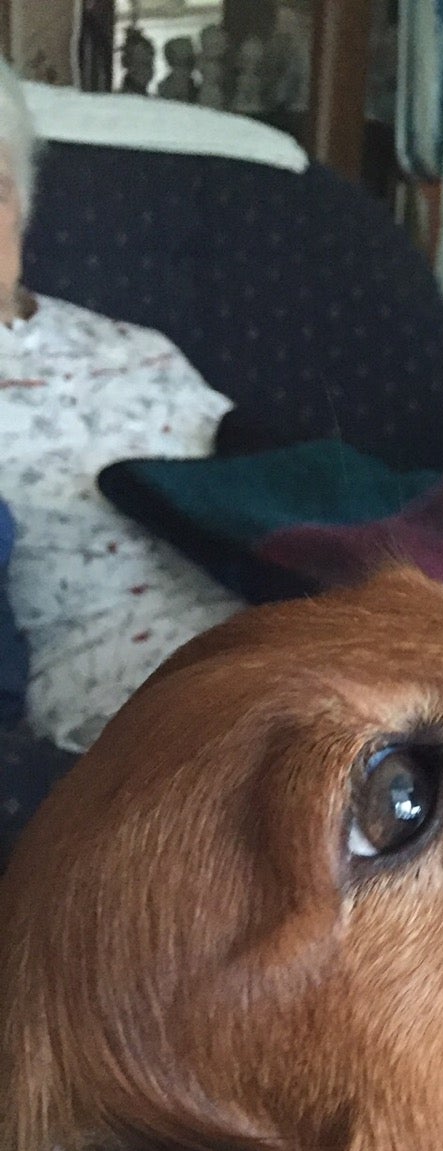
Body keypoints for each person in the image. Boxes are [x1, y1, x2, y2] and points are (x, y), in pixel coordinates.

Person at [0, 58, 243, 753]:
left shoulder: (138, 348)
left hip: (277, 617)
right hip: (118, 685)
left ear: (24, 205)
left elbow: (264, 480)